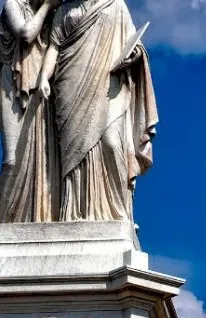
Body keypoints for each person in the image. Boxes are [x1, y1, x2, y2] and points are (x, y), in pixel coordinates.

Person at [38, 0, 158, 221]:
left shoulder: (116, 5)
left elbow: (135, 43)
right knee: (74, 151)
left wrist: (135, 55)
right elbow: (54, 47)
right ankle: (74, 212)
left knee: (112, 143)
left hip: (109, 83)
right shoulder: (64, 11)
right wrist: (44, 78)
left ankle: (116, 212)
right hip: (71, 84)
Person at [0, 0, 60, 221]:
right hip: (11, 84)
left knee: (40, 158)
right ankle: (3, 221)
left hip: (40, 88)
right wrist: (47, 7)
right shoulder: (11, 5)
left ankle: (35, 217)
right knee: (12, 160)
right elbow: (26, 35)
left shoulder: (53, 15)